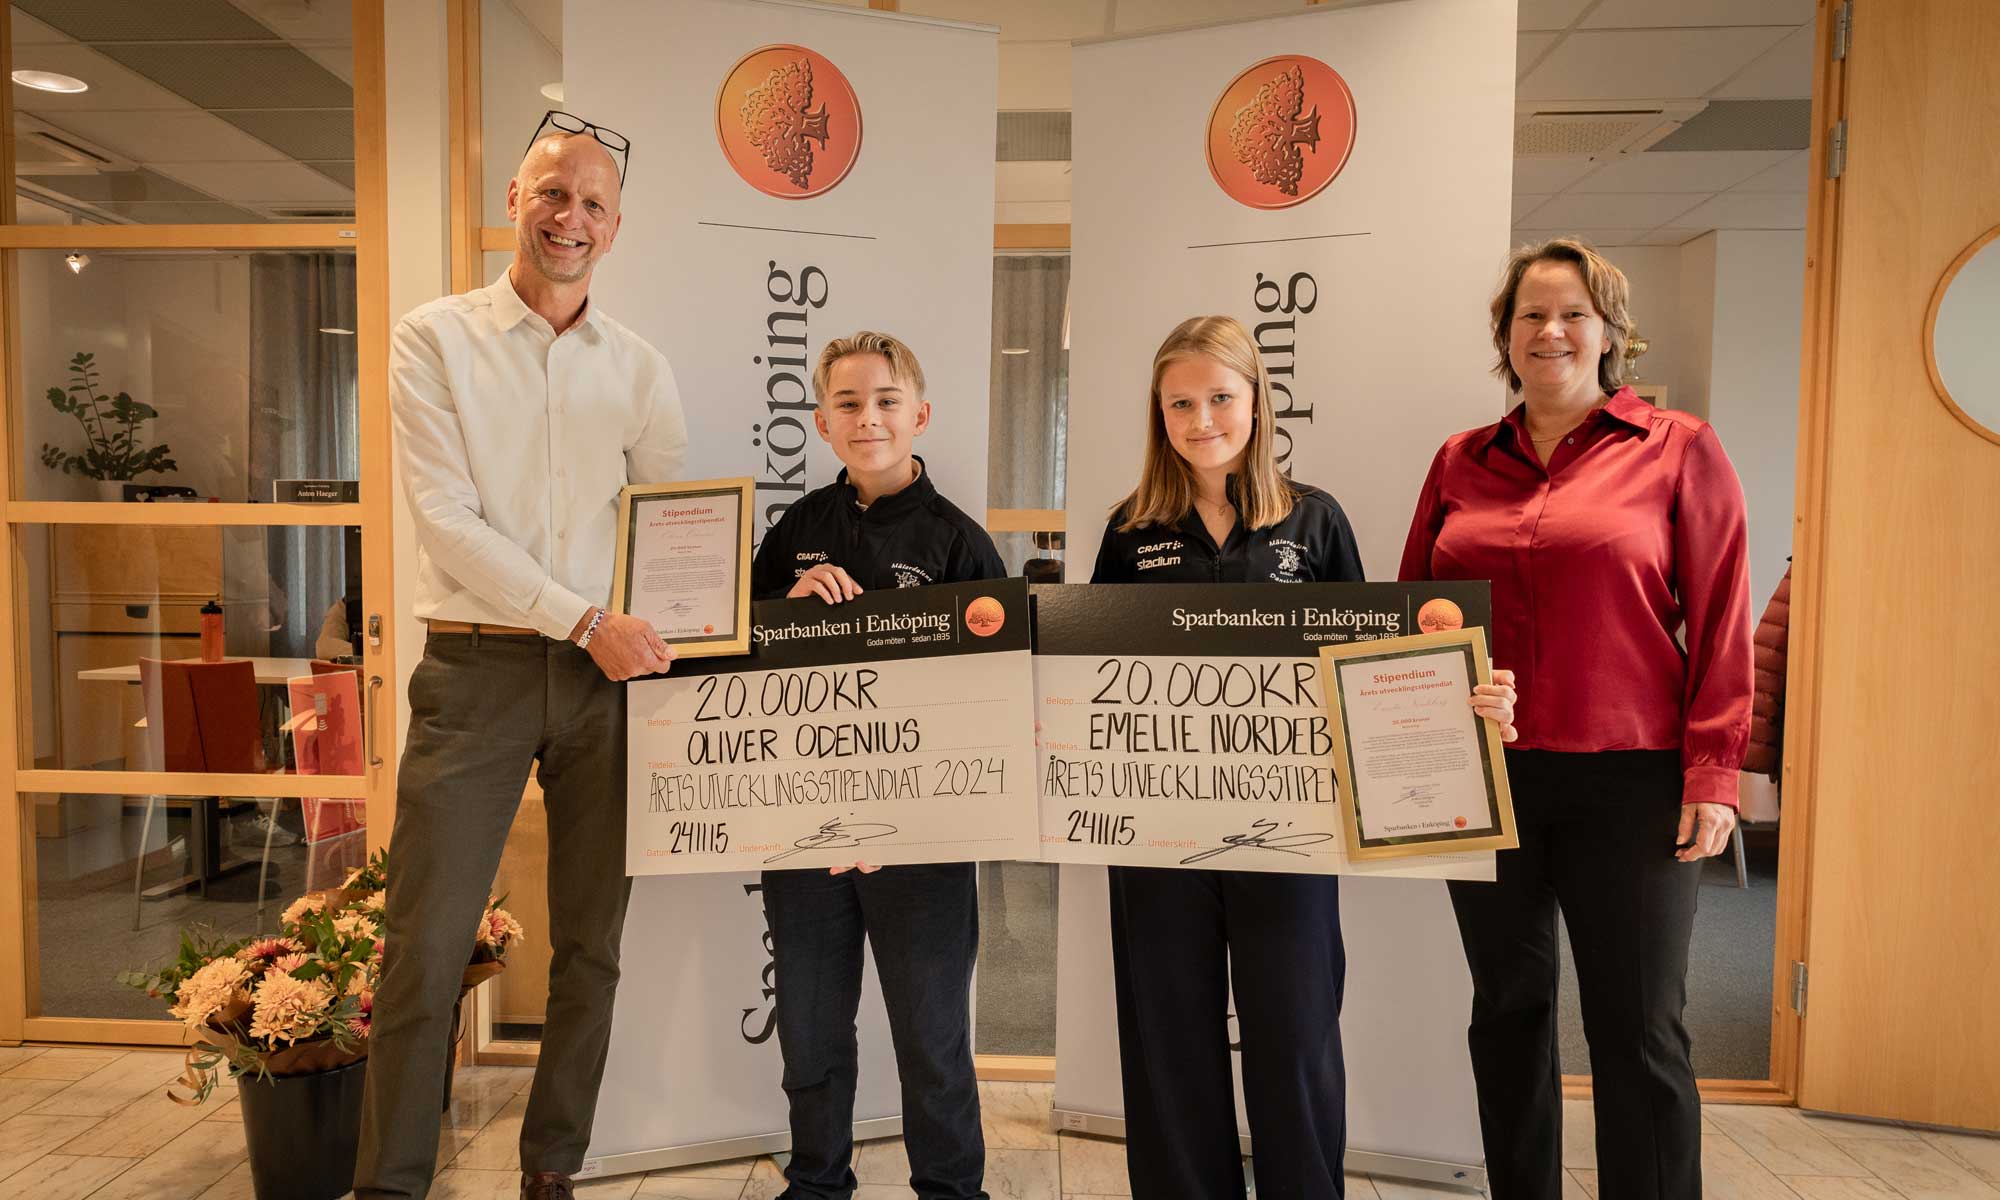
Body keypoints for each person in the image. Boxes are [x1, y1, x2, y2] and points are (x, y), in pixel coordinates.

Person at [1090, 315, 1515, 1200]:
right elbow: (1088, 677)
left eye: (1220, 397)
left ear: (1257, 402)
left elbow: (1376, 669)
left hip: (1291, 831)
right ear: (1157, 414)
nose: (1201, 418)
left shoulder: (1314, 523)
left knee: (1295, 1034)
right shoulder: (1129, 533)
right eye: (1180, 403)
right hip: (1158, 836)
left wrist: (1461, 703)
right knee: (1169, 1037)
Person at [356, 114, 686, 1200]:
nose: (570, 219)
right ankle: (393, 1183)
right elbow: (445, 523)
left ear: (618, 225)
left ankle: (553, 1166)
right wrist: (585, 619)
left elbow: (669, 526)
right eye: (553, 194)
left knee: (590, 944)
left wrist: (656, 625)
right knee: (426, 942)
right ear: (514, 198)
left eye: (593, 203)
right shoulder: (432, 338)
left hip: (607, 688)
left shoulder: (640, 369)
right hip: (477, 668)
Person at [1399, 238, 1752, 1200]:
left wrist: (1714, 774)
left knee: (1639, 1027)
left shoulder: (1679, 448)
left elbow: (1722, 617)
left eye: (1572, 313)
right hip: (1491, 778)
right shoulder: (1460, 460)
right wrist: (1436, 704)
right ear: (1504, 337)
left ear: (1610, 332)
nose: (1550, 331)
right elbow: (1413, 622)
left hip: (1631, 778)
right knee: (1508, 1012)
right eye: (1530, 315)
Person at [748, 331, 1005, 1200]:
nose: (869, 418)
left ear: (920, 415)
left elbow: (996, 701)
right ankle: (817, 1182)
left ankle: (951, 1189)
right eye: (850, 405)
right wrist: (780, 606)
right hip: (805, 831)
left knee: (932, 1038)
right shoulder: (794, 532)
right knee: (812, 1032)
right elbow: (734, 660)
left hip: (922, 843)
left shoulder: (959, 544)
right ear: (822, 423)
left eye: (887, 401)